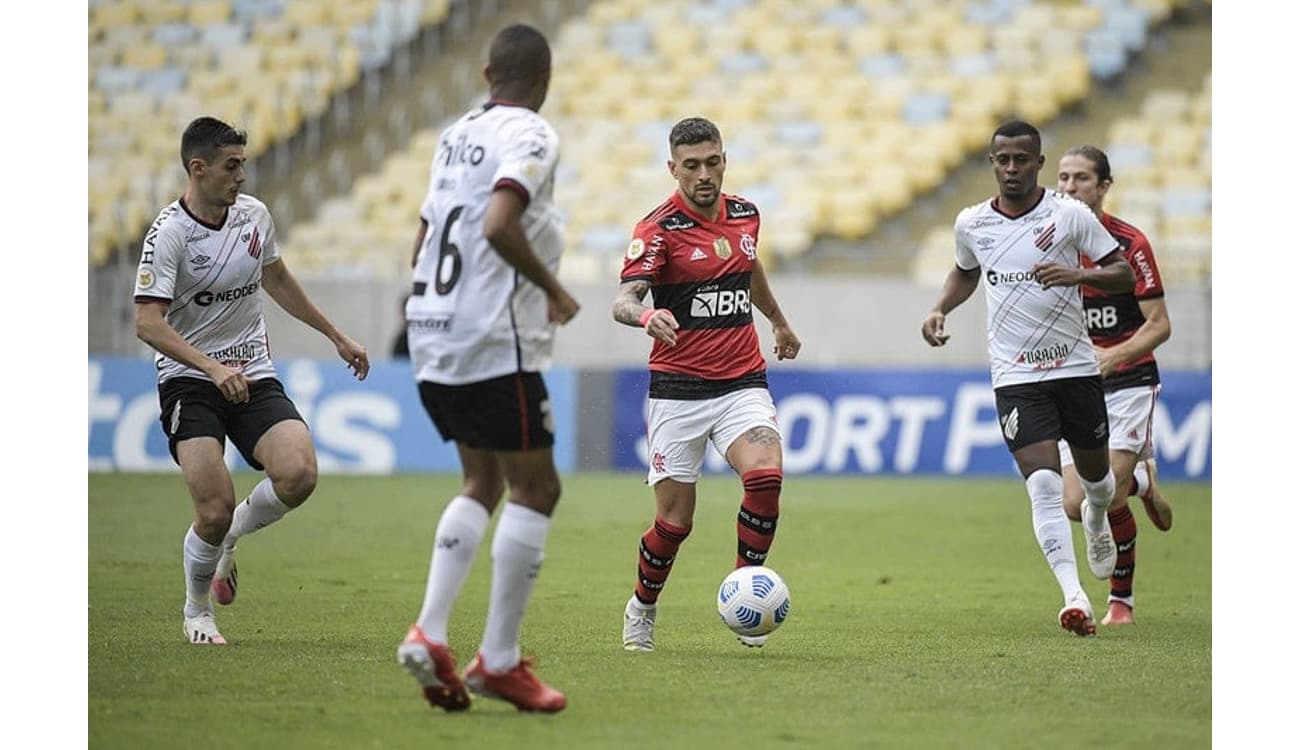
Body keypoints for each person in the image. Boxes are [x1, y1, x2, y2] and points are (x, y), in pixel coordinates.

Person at [395, 24, 578, 714]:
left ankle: (432, 631)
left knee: (483, 478)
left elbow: (424, 236)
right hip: (491, 340)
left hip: (432, 331)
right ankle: (497, 660)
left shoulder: (453, 135)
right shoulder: (531, 134)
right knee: (538, 488)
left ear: (484, 73)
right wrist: (555, 290)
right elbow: (501, 224)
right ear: (546, 76)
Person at [133, 116, 371, 646]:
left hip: (253, 371)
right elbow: (147, 322)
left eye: (243, 163)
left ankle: (234, 538)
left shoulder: (254, 217)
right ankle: (197, 611)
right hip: (191, 380)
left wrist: (335, 334)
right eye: (231, 165)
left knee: (299, 473)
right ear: (198, 169)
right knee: (211, 510)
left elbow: (277, 278)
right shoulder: (168, 234)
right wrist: (212, 368)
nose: (242, 175)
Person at [920, 120, 1136, 637]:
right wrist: (940, 308)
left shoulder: (1070, 216)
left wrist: (1077, 274)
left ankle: (1099, 518)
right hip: (1016, 376)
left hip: (1076, 369)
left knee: (1096, 484)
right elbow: (966, 270)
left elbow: (1123, 273)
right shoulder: (972, 223)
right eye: (1003, 160)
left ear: (1039, 163)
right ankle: (1074, 596)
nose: (1012, 169)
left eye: (1022, 160)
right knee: (1042, 484)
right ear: (992, 163)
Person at [612, 116, 802, 652]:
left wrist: (778, 321)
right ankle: (642, 608)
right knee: (674, 524)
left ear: (724, 161)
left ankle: (748, 598)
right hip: (679, 391)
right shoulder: (657, 229)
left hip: (742, 381)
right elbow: (624, 299)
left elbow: (748, 265)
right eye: (691, 166)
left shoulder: (746, 215)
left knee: (765, 478)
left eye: (712, 162)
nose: (703, 175)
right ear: (672, 169)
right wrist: (645, 317)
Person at [1055, 145, 1175, 627]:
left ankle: (1120, 601)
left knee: (1106, 497)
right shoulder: (1049, 241)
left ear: (1104, 186)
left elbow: (1159, 324)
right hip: (1075, 381)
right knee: (1072, 504)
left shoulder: (1131, 245)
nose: (1069, 188)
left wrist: (1114, 355)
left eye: (1081, 179)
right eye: (1063, 178)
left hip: (1128, 378)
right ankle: (1144, 480)